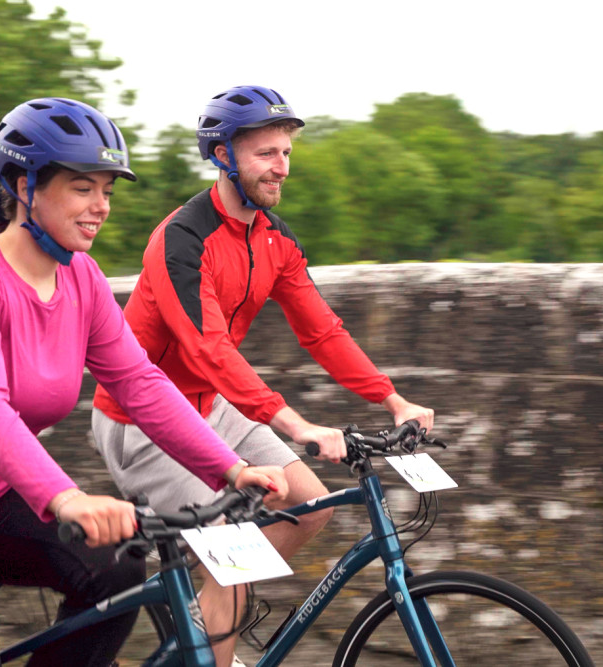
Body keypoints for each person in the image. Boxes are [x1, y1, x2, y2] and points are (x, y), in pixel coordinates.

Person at [0, 97, 288, 667]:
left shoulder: (82, 279)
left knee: (119, 568)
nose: (101, 206)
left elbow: (139, 384)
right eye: (82, 188)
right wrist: (66, 497)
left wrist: (231, 468)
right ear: (24, 187)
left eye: (107, 191)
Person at [91, 85, 435, 667]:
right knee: (234, 553)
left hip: (212, 406)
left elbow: (322, 331)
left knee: (313, 505)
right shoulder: (182, 239)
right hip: (143, 418)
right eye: (266, 154)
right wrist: (296, 425)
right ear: (222, 155)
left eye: (286, 152)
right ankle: (211, 624)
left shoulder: (274, 237)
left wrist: (392, 400)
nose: (282, 168)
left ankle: (200, 618)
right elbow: (208, 348)